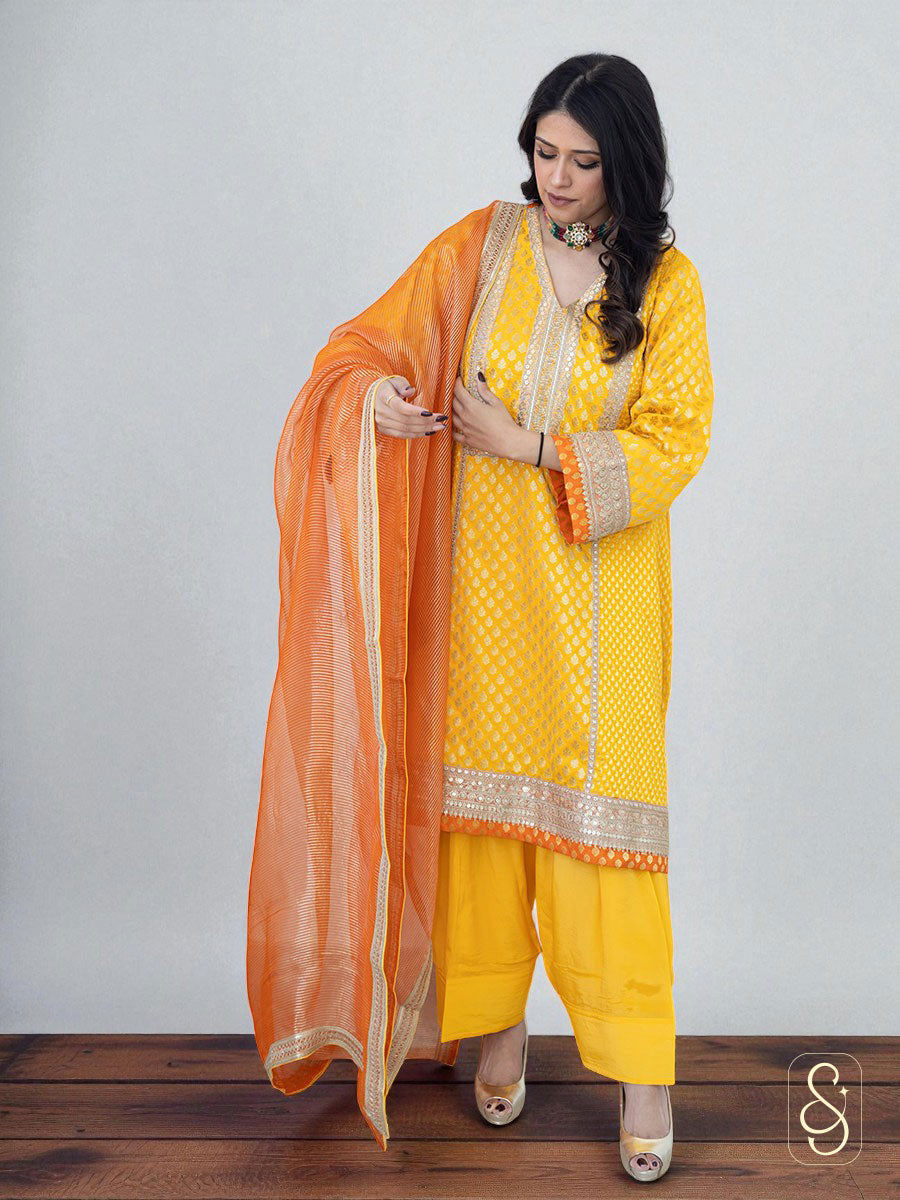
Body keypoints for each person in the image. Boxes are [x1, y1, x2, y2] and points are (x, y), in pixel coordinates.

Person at [246, 52, 713, 1183]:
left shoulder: (668, 284)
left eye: (583, 161)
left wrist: (534, 445)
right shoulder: (479, 249)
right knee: (479, 835)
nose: (557, 178)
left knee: (606, 848)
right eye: (544, 153)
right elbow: (365, 349)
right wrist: (378, 401)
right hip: (480, 596)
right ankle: (496, 1032)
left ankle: (642, 1077)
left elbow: (678, 441)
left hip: (599, 613)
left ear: (626, 163)